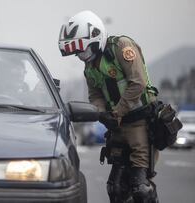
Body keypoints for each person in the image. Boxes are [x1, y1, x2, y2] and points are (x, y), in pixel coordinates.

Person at [58, 10, 159, 203]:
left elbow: (138, 83)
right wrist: (101, 114)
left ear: (96, 38)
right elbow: (95, 94)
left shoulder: (121, 47)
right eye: (77, 52)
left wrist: (117, 111)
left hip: (140, 122)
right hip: (117, 126)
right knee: (116, 188)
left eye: (83, 50)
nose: (80, 56)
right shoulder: (90, 66)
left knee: (141, 188)